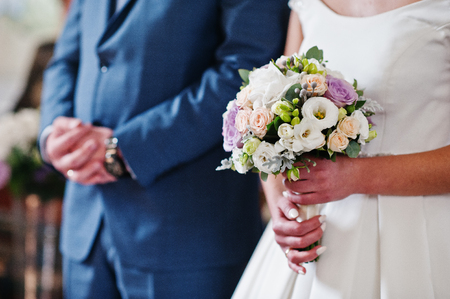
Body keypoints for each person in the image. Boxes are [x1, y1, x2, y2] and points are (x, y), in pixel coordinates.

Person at [38, 0, 290, 298]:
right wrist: (53, 133)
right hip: (86, 229)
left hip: (186, 235)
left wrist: (128, 150)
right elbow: (66, 58)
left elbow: (245, 71)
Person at [231, 0, 450, 298]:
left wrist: (356, 176)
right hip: (317, 234)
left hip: (417, 236)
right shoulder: (306, 6)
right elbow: (273, 116)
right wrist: (283, 208)